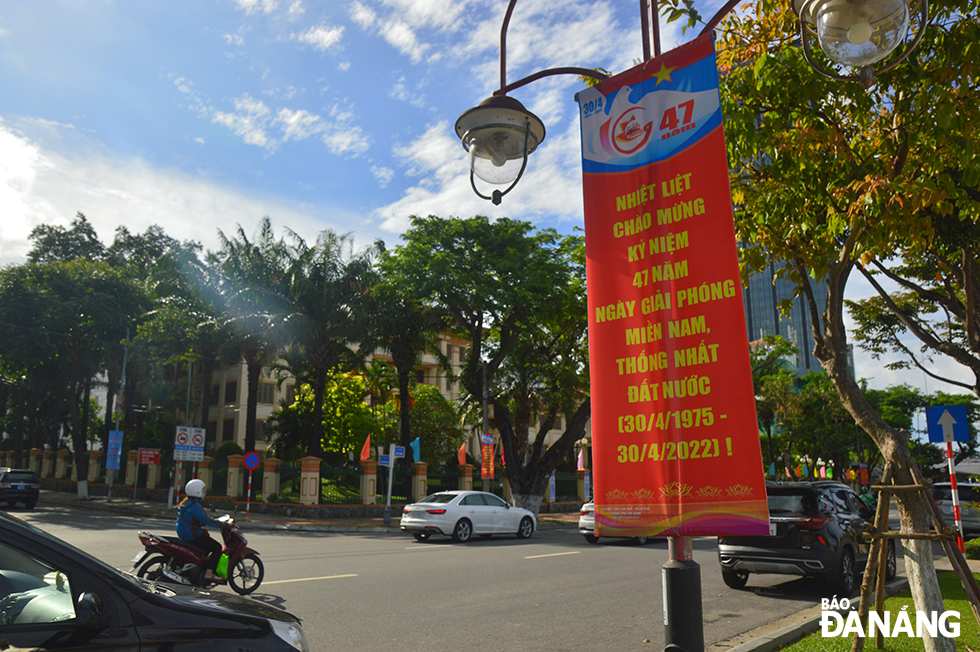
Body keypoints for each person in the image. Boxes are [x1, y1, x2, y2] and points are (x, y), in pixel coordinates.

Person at [176, 479, 224, 581]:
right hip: (191, 535)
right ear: (197, 491)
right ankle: (209, 573)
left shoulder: (186, 503)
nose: (203, 493)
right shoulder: (194, 505)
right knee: (217, 547)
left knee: (205, 542)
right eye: (202, 490)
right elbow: (206, 520)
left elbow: (195, 519)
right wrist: (222, 525)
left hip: (184, 533)